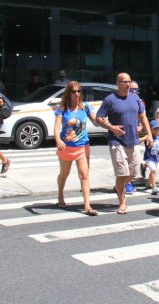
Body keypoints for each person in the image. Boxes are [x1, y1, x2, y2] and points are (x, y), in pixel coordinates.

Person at [96, 72, 153, 214]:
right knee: (122, 174)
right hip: (116, 142)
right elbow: (99, 118)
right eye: (124, 82)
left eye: (129, 81)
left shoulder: (135, 98)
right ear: (118, 83)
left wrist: (149, 134)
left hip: (133, 141)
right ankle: (122, 203)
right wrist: (111, 127)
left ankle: (118, 187)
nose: (128, 84)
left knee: (133, 174)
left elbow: (143, 116)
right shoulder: (110, 99)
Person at [54, 81, 98, 216]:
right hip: (66, 147)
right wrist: (58, 139)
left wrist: (106, 122)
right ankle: (60, 194)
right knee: (64, 173)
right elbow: (56, 127)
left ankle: (87, 206)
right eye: (73, 91)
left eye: (79, 91)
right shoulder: (62, 108)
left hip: (82, 147)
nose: (77, 94)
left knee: (84, 175)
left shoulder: (85, 107)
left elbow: (96, 120)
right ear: (68, 93)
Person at [140, 120, 159, 195]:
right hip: (148, 158)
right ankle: (154, 188)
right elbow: (140, 140)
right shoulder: (148, 137)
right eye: (154, 128)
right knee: (153, 170)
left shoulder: (158, 138)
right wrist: (144, 138)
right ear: (150, 129)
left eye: (157, 128)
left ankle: (144, 167)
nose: (156, 130)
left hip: (155, 158)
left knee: (152, 171)